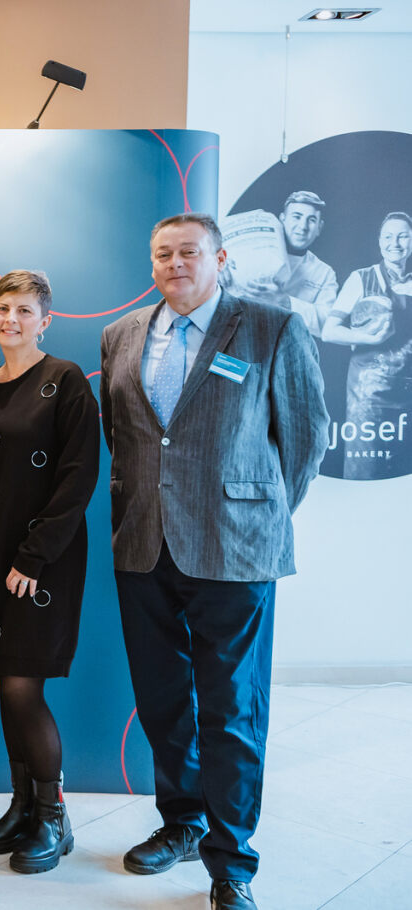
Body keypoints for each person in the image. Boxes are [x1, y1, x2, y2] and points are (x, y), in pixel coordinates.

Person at [100, 213, 327, 910]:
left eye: (189, 252)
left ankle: (232, 862)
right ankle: (182, 823)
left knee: (232, 710)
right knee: (164, 702)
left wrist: (256, 512)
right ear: (151, 264)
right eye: (163, 253)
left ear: (220, 259)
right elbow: (124, 437)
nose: (175, 263)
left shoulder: (271, 328)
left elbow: (306, 438)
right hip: (145, 545)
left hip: (235, 550)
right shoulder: (121, 336)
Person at [0, 271, 99, 873]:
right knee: (6, 685)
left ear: (45, 320)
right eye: (2, 308)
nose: (11, 319)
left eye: (24, 310)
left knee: (24, 687)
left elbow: (78, 477)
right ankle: (22, 806)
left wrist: (33, 556)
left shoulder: (65, 381)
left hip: (42, 564)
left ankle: (53, 817)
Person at [321, 211, 412, 479]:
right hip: (368, 394)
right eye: (388, 237)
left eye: (403, 236)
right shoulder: (362, 278)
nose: (395, 243)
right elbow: (329, 331)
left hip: (407, 392)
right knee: (366, 471)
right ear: (379, 241)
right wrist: (370, 338)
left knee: (402, 476)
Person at [224, 190, 338, 336]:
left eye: (311, 220)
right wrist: (214, 268)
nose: (303, 226)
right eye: (297, 217)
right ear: (282, 219)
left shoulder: (325, 273)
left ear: (319, 228)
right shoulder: (246, 249)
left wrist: (284, 301)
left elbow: (327, 323)